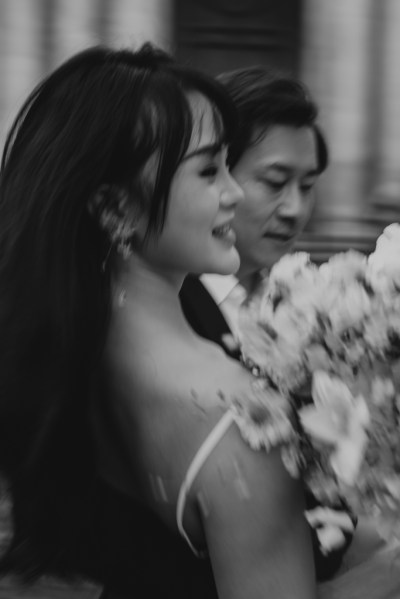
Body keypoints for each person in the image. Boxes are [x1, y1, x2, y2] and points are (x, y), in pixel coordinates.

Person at [0, 44, 317, 598]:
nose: (233, 193)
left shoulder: (59, 358)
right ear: (114, 207)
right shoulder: (244, 424)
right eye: (209, 170)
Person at [180, 66, 356, 580]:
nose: (296, 209)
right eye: (276, 183)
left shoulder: (306, 308)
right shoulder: (172, 311)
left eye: (308, 185)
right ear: (219, 177)